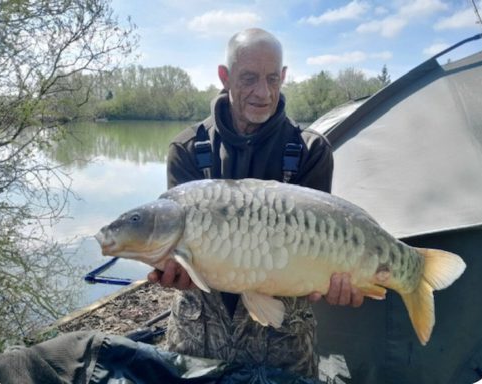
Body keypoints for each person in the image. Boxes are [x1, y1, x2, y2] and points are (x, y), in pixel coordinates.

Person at [147, 28, 363, 379]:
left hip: (283, 339)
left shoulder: (311, 151)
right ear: (225, 76)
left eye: (272, 79)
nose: (263, 93)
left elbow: (320, 248)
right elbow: (178, 253)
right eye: (248, 78)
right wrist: (174, 271)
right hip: (198, 333)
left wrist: (338, 277)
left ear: (284, 77)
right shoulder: (186, 149)